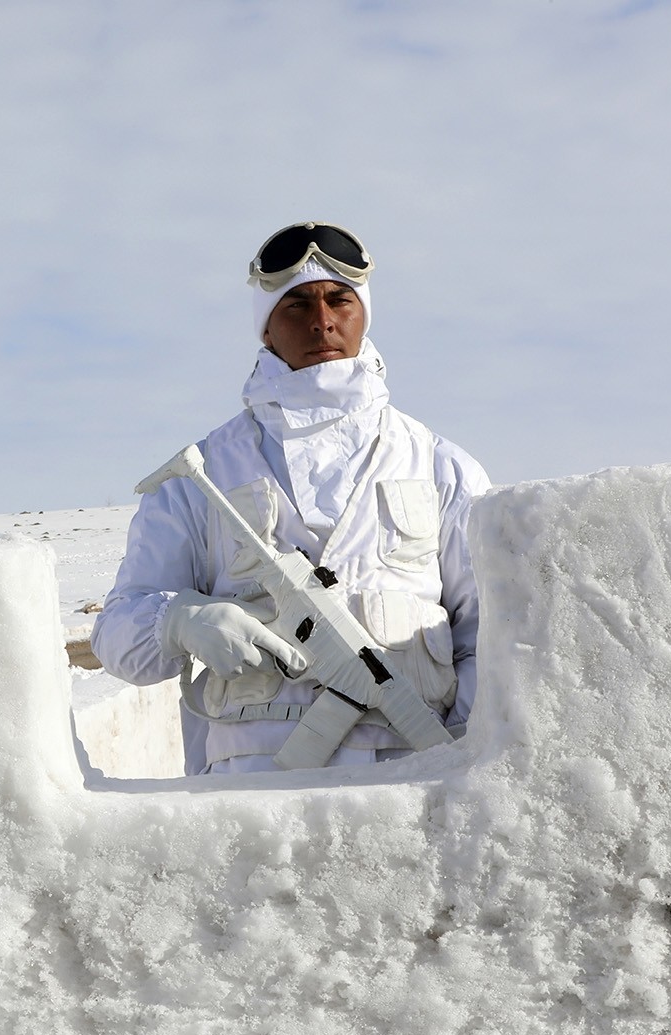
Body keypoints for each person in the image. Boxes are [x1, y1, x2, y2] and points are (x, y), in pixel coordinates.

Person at [91, 222, 490, 774]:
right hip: (249, 800)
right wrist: (179, 621)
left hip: (411, 786)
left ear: (364, 314)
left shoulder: (441, 467)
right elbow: (117, 638)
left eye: (339, 300)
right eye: (296, 305)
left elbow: (488, 639)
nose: (322, 320)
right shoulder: (199, 478)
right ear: (266, 330)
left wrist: (457, 763)